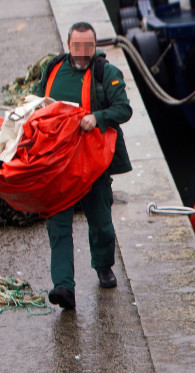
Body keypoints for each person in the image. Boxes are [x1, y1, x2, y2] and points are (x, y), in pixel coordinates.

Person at [36, 22, 133, 311]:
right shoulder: (53, 69)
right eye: (76, 47)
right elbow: (36, 100)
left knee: (101, 222)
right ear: (68, 45)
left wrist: (98, 117)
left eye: (87, 47)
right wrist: (40, 106)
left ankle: (103, 266)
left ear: (94, 46)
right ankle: (64, 287)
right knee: (58, 225)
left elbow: (124, 109)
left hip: (93, 164)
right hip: (57, 164)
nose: (81, 53)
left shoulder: (107, 73)